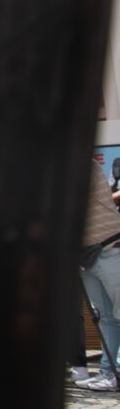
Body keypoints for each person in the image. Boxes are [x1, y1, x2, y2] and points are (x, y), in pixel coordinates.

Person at [75, 161, 120, 391]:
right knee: (104, 318)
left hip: (109, 248)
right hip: (87, 256)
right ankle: (109, 372)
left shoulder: (83, 165)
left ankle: (116, 371)